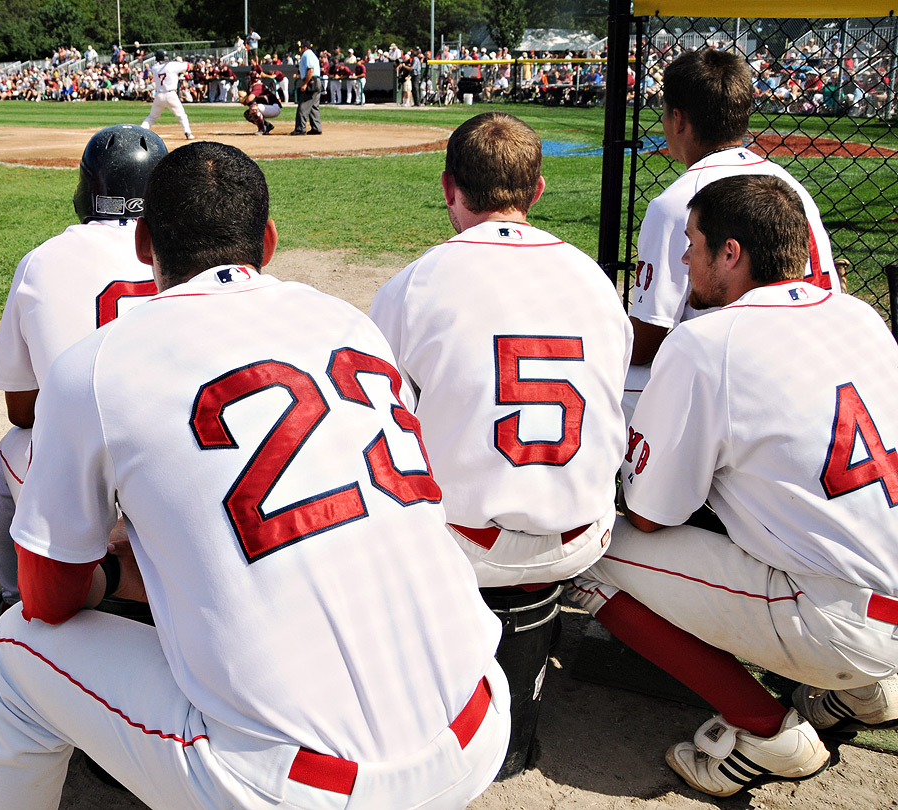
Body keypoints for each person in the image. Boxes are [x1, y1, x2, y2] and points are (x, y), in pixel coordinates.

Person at [0, 141, 509, 810]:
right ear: (269, 241)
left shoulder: (97, 364)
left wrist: (116, 571)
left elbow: (44, 596)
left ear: (144, 243)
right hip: (481, 718)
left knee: (14, 651)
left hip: (312, 789)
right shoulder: (348, 321)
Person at [568, 175, 898, 797]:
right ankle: (869, 690)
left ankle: (765, 732)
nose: (684, 256)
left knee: (587, 550)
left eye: (692, 242)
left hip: (837, 618)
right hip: (878, 590)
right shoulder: (859, 314)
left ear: (732, 252)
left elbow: (650, 515)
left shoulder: (708, 339)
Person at [369, 112, 631, 777]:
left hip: (465, 548)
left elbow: (378, 425)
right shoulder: (592, 279)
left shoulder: (419, 281)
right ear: (537, 190)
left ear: (448, 187)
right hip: (580, 538)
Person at [0, 124, 168, 608]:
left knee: (13, 447)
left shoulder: (43, 260)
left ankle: (11, 592)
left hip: (91, 484)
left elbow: (21, 409)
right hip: (179, 464)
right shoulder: (186, 253)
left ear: (88, 190)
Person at [625, 48, 836, 418]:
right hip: (815, 354)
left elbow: (646, 341)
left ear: (679, 120)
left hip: (743, 377)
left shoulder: (677, 203)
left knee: (612, 382)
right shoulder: (789, 184)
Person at [139, 50, 194, 140]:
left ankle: (141, 131)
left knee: (152, 117)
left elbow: (166, 65)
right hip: (171, 94)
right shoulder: (172, 65)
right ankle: (187, 132)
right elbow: (189, 66)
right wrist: (179, 61)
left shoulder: (155, 67)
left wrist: (176, 62)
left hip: (159, 95)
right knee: (181, 115)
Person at [239, 65, 282, 135]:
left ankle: (262, 129)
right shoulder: (255, 86)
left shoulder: (258, 86)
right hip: (269, 107)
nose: (248, 80)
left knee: (253, 108)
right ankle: (267, 125)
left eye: (250, 78)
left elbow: (250, 99)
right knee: (247, 114)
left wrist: (245, 100)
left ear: (255, 79)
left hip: (274, 107)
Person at [291, 41, 322, 135]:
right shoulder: (312, 54)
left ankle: (300, 129)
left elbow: (310, 69)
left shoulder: (307, 54)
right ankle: (316, 128)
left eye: (301, 47)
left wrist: (305, 84)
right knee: (313, 107)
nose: (300, 49)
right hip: (317, 81)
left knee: (303, 106)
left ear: (304, 47)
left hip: (312, 81)